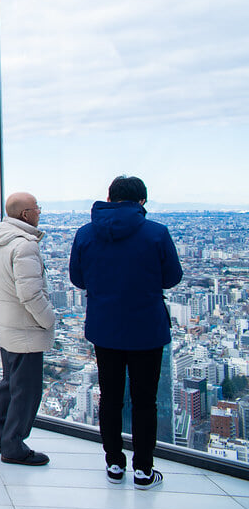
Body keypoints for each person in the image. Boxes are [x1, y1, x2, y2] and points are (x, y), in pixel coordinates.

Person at [70, 176, 182, 490]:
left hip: (105, 328)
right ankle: (144, 470)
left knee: (110, 399)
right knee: (145, 401)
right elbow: (172, 277)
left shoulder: (85, 234)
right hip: (147, 328)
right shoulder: (156, 233)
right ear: (141, 202)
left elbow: (78, 279)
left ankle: (114, 464)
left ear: (110, 197)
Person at [0, 192, 56, 467]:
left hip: (5, 324)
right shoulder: (24, 245)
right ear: (25, 214)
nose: (39, 212)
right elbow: (31, 294)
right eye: (36, 208)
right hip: (26, 327)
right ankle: (14, 445)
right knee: (27, 390)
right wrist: (49, 320)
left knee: (9, 384)